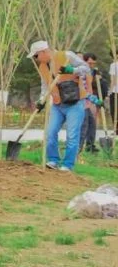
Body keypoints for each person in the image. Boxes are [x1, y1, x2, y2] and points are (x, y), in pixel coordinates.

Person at [29, 41, 90, 172]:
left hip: (75, 102)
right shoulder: (42, 67)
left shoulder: (66, 55)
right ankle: (53, 160)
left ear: (44, 52)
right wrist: (41, 101)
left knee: (72, 135)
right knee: (50, 132)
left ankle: (67, 165)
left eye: (36, 56)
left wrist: (72, 69)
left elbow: (86, 68)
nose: (36, 59)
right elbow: (45, 86)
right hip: (57, 104)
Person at [80, 53, 103, 153]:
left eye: (93, 63)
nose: (91, 65)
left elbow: (92, 86)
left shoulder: (92, 72)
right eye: (89, 63)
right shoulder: (80, 72)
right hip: (80, 103)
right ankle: (78, 150)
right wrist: (95, 100)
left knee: (92, 124)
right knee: (83, 127)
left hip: (88, 103)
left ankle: (90, 147)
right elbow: (82, 90)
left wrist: (98, 77)